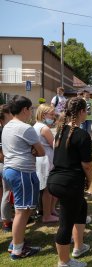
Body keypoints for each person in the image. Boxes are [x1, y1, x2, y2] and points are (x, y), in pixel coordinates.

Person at [47, 97, 92, 267]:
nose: (86, 113)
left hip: (56, 180)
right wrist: (89, 181)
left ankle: (79, 247)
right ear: (81, 112)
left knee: (81, 208)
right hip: (69, 184)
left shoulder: (60, 131)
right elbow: (87, 166)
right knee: (65, 224)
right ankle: (64, 262)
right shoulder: (82, 135)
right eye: (86, 111)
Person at [2, 95, 45, 260]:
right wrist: (32, 151)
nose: (31, 112)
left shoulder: (7, 126)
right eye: (31, 109)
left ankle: (16, 242)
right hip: (22, 171)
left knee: (23, 209)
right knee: (21, 211)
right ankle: (18, 250)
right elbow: (41, 151)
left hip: (11, 169)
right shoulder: (25, 128)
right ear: (25, 109)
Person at [33, 104, 59, 223]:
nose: (53, 117)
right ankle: (47, 215)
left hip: (41, 160)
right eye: (51, 115)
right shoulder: (44, 128)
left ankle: (50, 210)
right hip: (47, 161)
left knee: (45, 188)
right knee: (48, 189)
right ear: (43, 115)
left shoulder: (35, 126)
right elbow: (55, 145)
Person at [0, 104, 13, 232]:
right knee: (7, 193)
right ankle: (6, 222)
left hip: (5, 164)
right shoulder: (2, 129)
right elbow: (1, 154)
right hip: (5, 164)